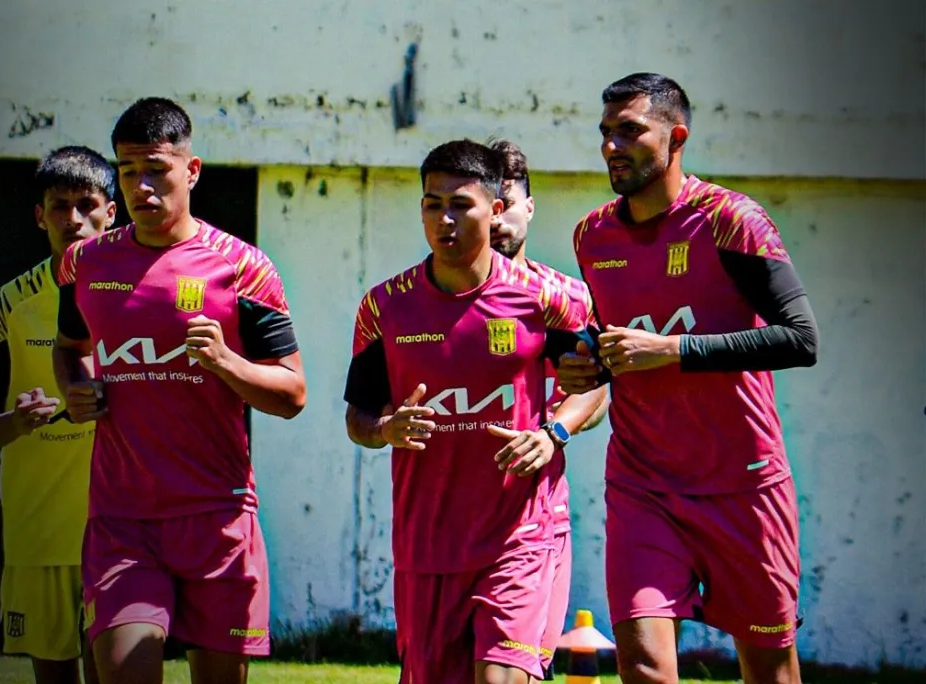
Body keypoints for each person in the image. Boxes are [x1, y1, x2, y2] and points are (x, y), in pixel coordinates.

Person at [557, 72, 819, 684]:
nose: (611, 147)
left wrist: (672, 349)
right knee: (644, 664)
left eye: (629, 132)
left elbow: (801, 339)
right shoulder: (593, 236)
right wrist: (585, 360)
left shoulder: (732, 221)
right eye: (605, 133)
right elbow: (607, 338)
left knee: (770, 669)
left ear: (676, 137)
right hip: (643, 483)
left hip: (745, 485)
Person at [52, 97, 307, 684]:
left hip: (217, 520)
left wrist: (224, 362)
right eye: (127, 171)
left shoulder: (244, 268)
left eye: (156, 170)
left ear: (191, 172)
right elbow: (69, 347)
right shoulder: (84, 264)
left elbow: (292, 394)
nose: (141, 187)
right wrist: (75, 386)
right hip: (124, 520)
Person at [344, 139, 599, 684]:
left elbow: (595, 386)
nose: (445, 219)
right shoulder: (384, 307)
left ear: (496, 209)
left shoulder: (548, 300)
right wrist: (386, 429)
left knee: (501, 677)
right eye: (433, 205)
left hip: (519, 537)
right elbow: (357, 420)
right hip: (426, 546)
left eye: (461, 204)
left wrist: (554, 432)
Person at [0, 145, 117, 684]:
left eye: (86, 204)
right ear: (39, 215)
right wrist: (16, 423)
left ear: (110, 212)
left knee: (114, 673)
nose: (73, 219)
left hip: (121, 525)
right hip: (40, 528)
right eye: (58, 205)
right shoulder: (8, 306)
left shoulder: (143, 294)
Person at [487, 137, 609, 681]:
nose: (496, 220)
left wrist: (553, 431)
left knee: (515, 670)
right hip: (444, 524)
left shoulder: (563, 297)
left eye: (507, 205)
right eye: (485, 205)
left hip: (534, 517)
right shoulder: (420, 302)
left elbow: (597, 392)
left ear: (529, 208)